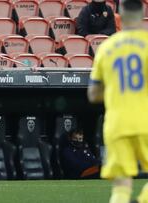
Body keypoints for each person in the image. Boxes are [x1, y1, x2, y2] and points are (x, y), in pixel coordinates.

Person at [88, 0, 148, 201]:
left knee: (121, 185)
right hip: (145, 121)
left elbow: (93, 94)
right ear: (143, 13)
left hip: (116, 124)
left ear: (119, 13)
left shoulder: (106, 48)